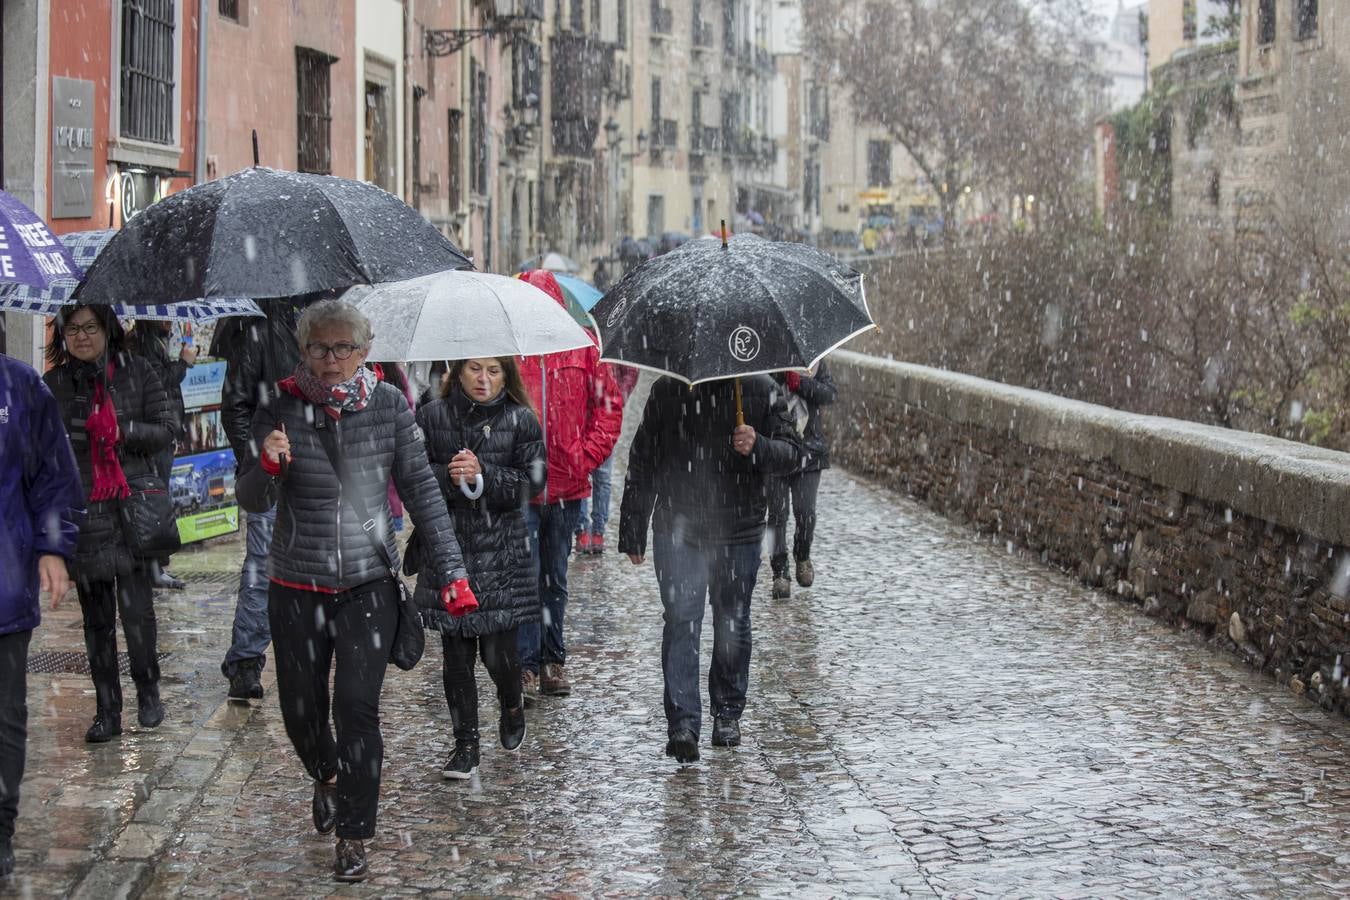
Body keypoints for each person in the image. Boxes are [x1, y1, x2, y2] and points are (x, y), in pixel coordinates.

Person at [235, 299, 475, 883]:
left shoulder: (390, 406)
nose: (332, 359)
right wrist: (267, 466)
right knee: (301, 712)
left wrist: (454, 574)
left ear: (366, 352)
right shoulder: (281, 404)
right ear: (303, 350)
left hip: (368, 582)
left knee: (357, 708)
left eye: (344, 348)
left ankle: (353, 833)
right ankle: (326, 773)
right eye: (320, 348)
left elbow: (422, 493)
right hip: (296, 583)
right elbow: (252, 501)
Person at [619, 375, 801, 763]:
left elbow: (792, 454)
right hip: (678, 528)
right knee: (682, 620)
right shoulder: (669, 388)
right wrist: (633, 527)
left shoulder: (760, 387)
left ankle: (728, 711)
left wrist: (758, 446)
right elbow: (644, 457)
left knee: (732, 620)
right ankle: (683, 723)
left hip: (739, 528)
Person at [44, 304, 178, 743]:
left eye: (90, 328)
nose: (81, 337)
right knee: (96, 621)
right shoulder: (56, 385)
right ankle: (108, 710)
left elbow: (166, 429)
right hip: (83, 515)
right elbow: (45, 451)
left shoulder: (137, 371)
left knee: (137, 614)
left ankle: (148, 691)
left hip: (130, 512)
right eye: (73, 329)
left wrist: (124, 431)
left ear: (108, 329)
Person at [413, 357, 546, 780]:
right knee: (455, 656)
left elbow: (533, 481)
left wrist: (485, 474)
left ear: (506, 375)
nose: (483, 380)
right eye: (475, 369)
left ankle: (511, 701)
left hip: (500, 553)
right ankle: (465, 744)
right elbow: (412, 475)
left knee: (498, 656)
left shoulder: (520, 419)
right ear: (459, 371)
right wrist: (447, 476)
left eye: (493, 371)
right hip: (448, 548)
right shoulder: (433, 414)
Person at [516, 270, 623, 704]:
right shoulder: (512, 349)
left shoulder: (583, 346)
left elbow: (609, 407)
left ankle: (552, 658)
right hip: (520, 488)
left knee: (555, 578)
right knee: (524, 577)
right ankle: (525, 665)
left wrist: (584, 455)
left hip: (568, 487)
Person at [0, 354, 83, 878]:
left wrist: (53, 547)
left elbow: (53, 474)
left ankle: (0, 831)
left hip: (4, 582)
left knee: (4, 715)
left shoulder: (20, 386)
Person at [213, 297, 311, 703]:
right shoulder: (260, 326)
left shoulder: (331, 316)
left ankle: (307, 656)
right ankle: (246, 660)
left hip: (319, 471)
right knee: (262, 566)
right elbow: (235, 406)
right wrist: (257, 462)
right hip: (270, 468)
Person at [126, 320, 197, 589]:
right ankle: (153, 567)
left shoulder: (154, 339)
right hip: (156, 435)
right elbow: (158, 382)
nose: (170, 321)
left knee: (155, 498)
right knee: (154, 500)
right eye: (164, 316)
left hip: (162, 432)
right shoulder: (147, 342)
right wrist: (184, 363)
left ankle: (154, 566)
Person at [767, 362, 837, 599]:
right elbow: (757, 400)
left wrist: (800, 383)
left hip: (810, 450)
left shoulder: (815, 363)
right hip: (776, 448)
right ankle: (780, 573)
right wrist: (779, 380)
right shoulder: (766, 363)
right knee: (777, 514)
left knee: (805, 511)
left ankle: (802, 554)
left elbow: (829, 394)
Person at [575, 363, 639, 555]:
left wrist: (618, 397)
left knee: (602, 477)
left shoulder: (615, 337)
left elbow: (630, 372)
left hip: (606, 416)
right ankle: (581, 529)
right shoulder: (582, 339)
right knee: (579, 474)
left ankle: (598, 530)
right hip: (579, 417)